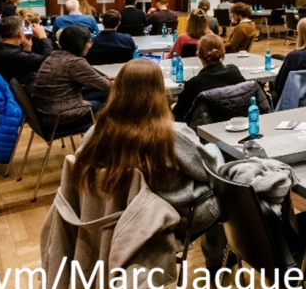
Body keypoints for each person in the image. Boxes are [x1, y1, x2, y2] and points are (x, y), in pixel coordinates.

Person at [72, 59, 226, 271]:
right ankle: (217, 262)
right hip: (173, 218)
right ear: (159, 92)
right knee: (223, 181)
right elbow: (207, 172)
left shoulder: (95, 134)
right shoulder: (172, 134)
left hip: (114, 219)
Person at [33, 26, 113, 124]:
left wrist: (106, 78)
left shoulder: (53, 56)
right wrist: (125, 82)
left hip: (46, 112)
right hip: (61, 115)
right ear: (80, 44)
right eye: (89, 42)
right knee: (111, 100)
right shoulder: (75, 62)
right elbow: (106, 86)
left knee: (102, 93)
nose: (90, 46)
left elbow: (90, 81)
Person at [172, 34, 247, 122]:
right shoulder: (234, 72)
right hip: (236, 122)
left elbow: (179, 114)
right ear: (223, 52)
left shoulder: (195, 84)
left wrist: (172, 106)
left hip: (202, 127)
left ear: (198, 54)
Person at [0, 16, 53, 87]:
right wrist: (43, 37)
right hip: (24, 89)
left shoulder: (0, 48)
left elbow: (26, 64)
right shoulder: (12, 54)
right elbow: (47, 61)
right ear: (21, 34)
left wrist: (27, 47)